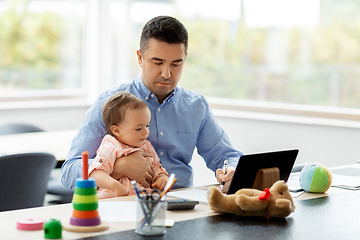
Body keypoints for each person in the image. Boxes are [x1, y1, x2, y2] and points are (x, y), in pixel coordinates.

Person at [61, 15, 242, 193]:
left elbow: (227, 156)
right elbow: (69, 172)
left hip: (181, 203)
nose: (166, 73)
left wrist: (232, 171)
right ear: (140, 58)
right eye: (158, 62)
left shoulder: (196, 107)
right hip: (125, 204)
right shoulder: (109, 103)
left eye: (176, 64)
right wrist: (119, 166)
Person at [89, 91, 169, 199]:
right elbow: (95, 174)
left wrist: (162, 178)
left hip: (141, 202)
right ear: (116, 130)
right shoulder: (111, 145)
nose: (146, 132)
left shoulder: (146, 146)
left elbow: (156, 167)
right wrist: (114, 186)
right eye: (139, 128)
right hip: (113, 201)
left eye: (147, 125)